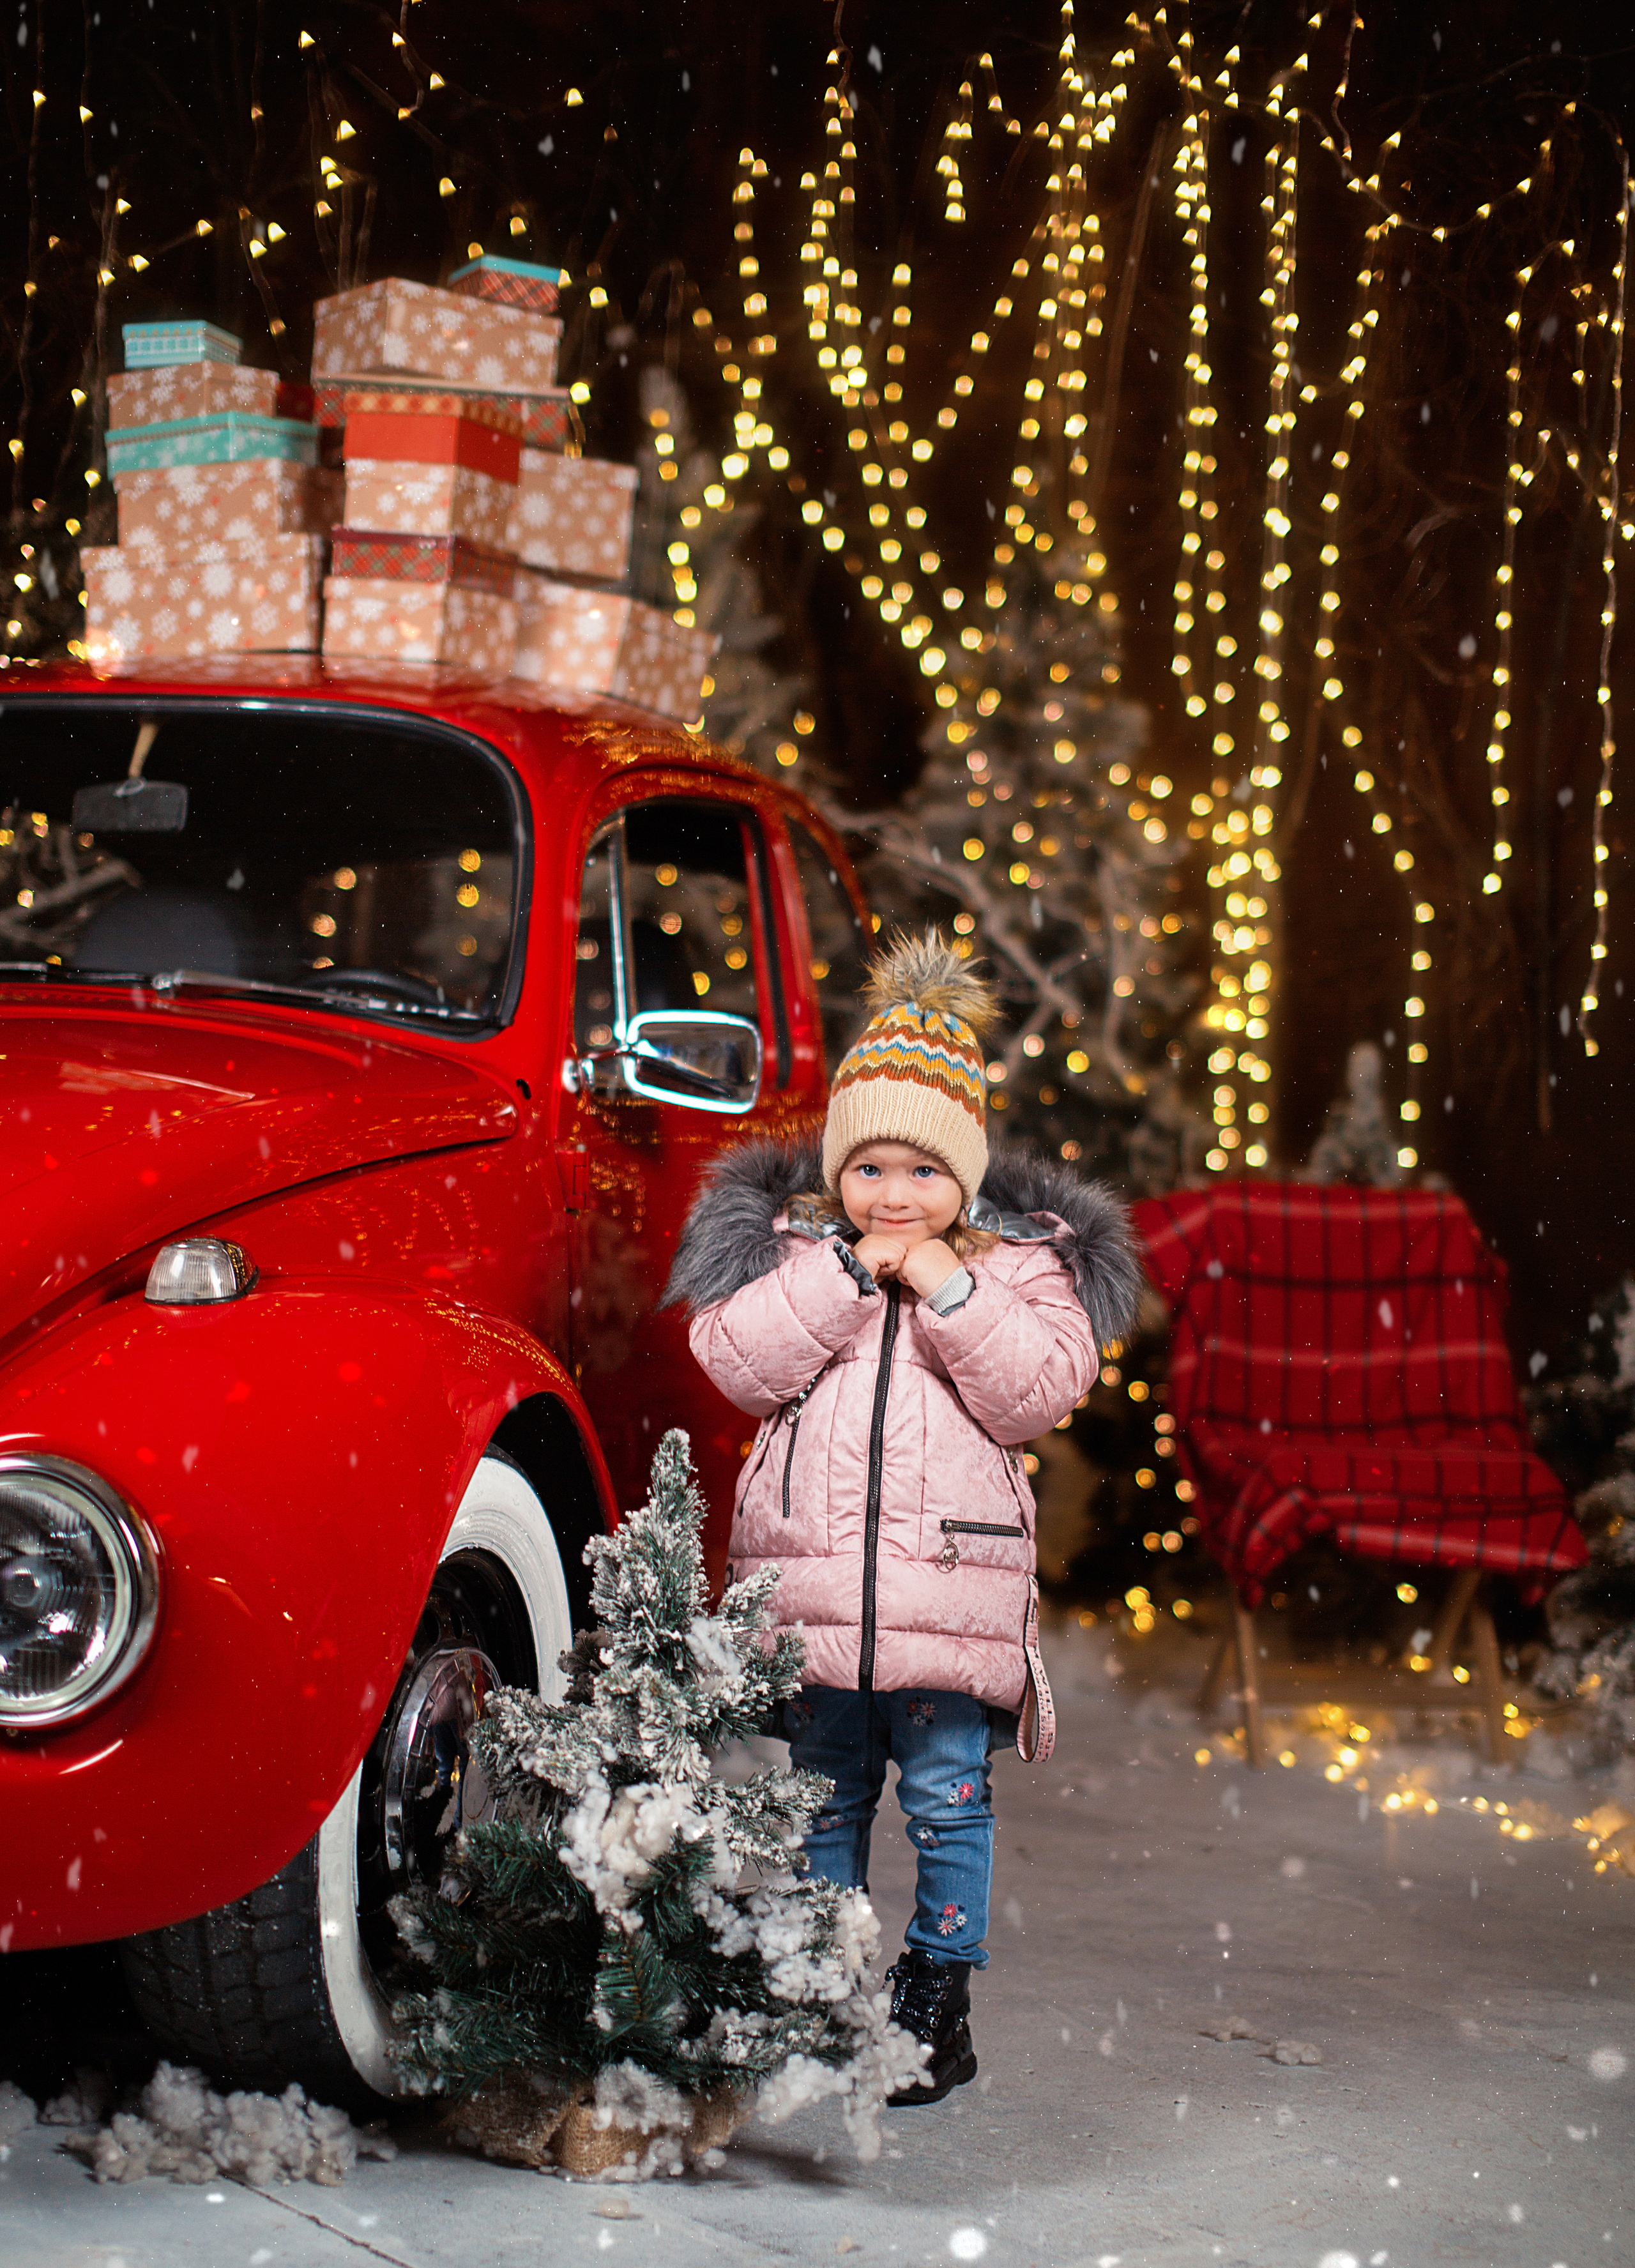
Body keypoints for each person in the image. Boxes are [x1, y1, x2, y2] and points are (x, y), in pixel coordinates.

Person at [662, 930, 1141, 2104]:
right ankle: (819, 1977)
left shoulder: (1018, 1269)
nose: (893, 1196)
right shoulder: (796, 1254)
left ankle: (937, 1993)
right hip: (818, 1590)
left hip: (949, 1590)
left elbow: (1038, 1391)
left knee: (945, 1800)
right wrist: (839, 1280)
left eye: (924, 1172)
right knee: (823, 1795)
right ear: (837, 1171)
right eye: (869, 1167)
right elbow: (733, 1362)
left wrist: (950, 1289)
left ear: (965, 1179)